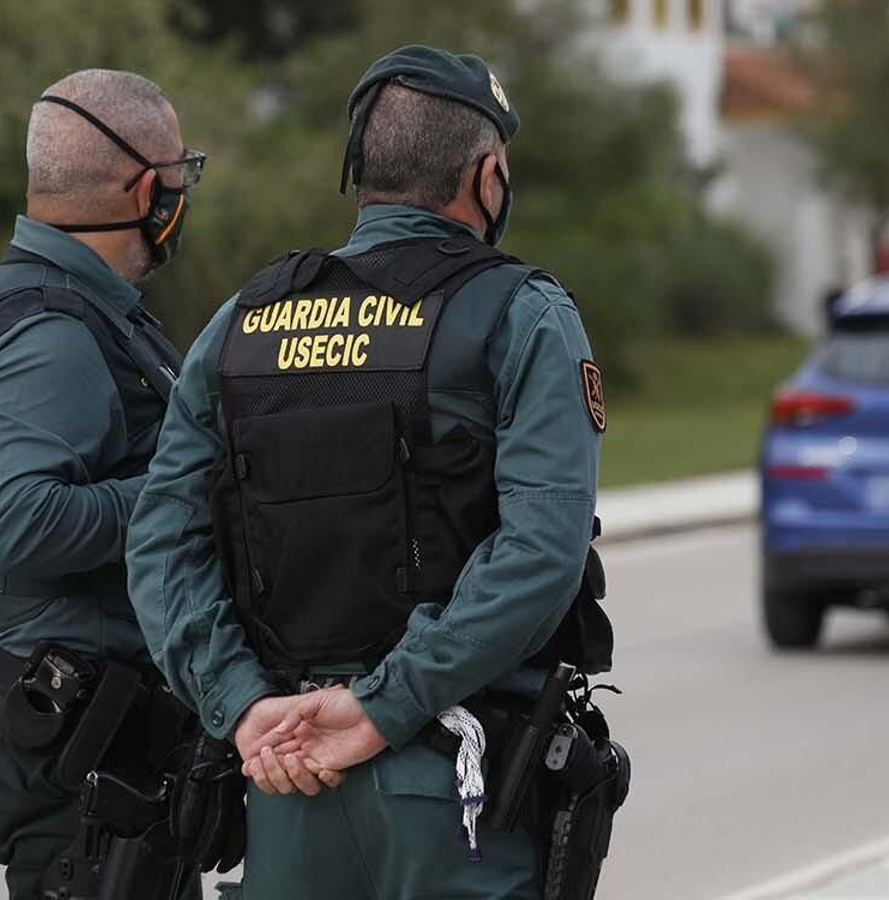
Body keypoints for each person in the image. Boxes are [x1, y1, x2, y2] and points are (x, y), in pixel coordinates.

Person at [127, 45, 619, 899]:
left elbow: (162, 541)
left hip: (284, 777)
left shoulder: (244, 322)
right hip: (457, 786)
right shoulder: (524, 314)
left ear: (359, 169)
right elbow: (543, 549)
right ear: (487, 175)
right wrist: (379, 709)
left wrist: (242, 708)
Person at [0, 68, 205, 900]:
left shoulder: (88, 305)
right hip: (79, 735)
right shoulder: (48, 328)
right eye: (180, 176)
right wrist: (188, 498)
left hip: (105, 726)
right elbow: (12, 525)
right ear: (144, 189)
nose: (183, 195)